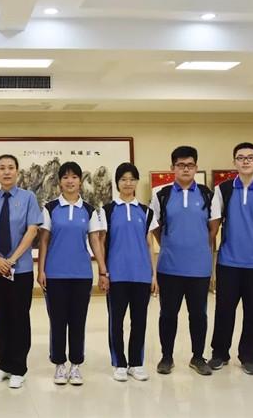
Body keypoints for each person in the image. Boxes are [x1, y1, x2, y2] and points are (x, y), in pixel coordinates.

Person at [208, 142, 253, 375]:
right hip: (228, 262)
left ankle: (249, 357)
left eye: (250, 157)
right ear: (234, 162)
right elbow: (214, 226)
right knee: (224, 311)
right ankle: (219, 354)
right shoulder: (223, 189)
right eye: (241, 157)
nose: (246, 161)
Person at [150, 145, 215, 376]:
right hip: (169, 266)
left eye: (190, 165)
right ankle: (166, 357)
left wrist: (199, 247)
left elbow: (213, 228)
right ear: (172, 168)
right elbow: (155, 226)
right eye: (180, 165)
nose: (185, 169)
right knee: (168, 314)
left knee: (198, 315)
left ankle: (198, 357)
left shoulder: (208, 195)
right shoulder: (161, 195)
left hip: (199, 268)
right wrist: (169, 244)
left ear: (196, 167)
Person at [38, 161, 105, 386]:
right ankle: (59, 364)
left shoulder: (89, 210)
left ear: (80, 181)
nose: (70, 181)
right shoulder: (50, 208)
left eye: (74, 177)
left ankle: (76, 364)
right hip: (55, 275)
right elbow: (44, 241)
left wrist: (103, 270)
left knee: (78, 321)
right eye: (65, 177)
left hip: (81, 275)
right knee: (57, 321)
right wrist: (41, 270)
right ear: (59, 182)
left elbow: (95, 240)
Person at [0, 154, 42, 389]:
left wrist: (12, 260)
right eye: (2, 168)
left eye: (11, 168)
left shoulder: (28, 198)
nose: (6, 172)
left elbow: (32, 230)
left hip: (21, 269)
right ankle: (3, 365)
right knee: (0, 317)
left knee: (19, 318)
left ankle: (18, 368)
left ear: (17, 171)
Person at [103, 162, 157, 382]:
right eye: (123, 179)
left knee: (139, 321)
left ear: (136, 182)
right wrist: (104, 273)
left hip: (141, 275)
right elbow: (101, 243)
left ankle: (136, 363)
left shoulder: (146, 211)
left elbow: (150, 244)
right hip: (116, 276)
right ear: (117, 182)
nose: (128, 183)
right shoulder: (107, 210)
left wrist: (153, 275)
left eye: (132, 179)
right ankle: (119, 363)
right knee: (116, 322)